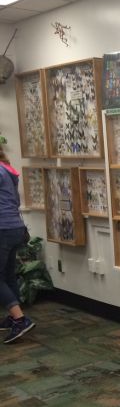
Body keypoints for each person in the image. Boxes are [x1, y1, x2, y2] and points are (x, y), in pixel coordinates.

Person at [0, 144, 35, 344]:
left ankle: (20, 319)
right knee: (7, 274)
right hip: (15, 228)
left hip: (2, 229)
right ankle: (14, 317)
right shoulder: (6, 168)